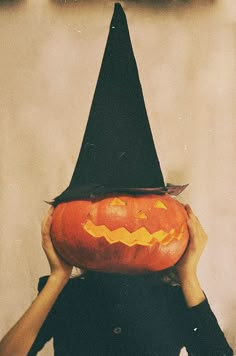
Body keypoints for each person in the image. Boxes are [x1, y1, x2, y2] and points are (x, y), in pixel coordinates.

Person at [0, 204, 233, 356]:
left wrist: (188, 274)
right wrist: (57, 276)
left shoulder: (175, 298)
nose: (133, 218)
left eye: (152, 205)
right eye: (114, 204)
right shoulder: (68, 296)